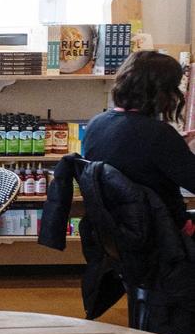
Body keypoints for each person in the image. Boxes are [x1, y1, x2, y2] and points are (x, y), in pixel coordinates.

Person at [81, 50, 195, 232]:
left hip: (121, 235)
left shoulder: (96, 124)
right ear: (162, 91)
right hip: (165, 236)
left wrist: (178, 145)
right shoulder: (159, 135)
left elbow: (135, 155)